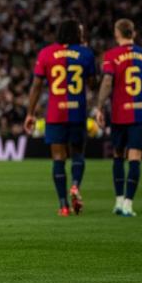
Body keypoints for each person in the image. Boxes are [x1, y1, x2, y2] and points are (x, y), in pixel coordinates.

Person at [24, 19, 96, 216]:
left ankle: (63, 205)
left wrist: (30, 113)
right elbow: (93, 84)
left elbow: (36, 86)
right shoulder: (85, 53)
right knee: (78, 155)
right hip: (77, 112)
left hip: (55, 114)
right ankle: (75, 186)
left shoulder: (46, 53)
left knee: (58, 158)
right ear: (76, 34)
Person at [95, 19, 142, 217]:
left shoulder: (111, 56)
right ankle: (128, 204)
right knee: (135, 158)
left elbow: (107, 82)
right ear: (133, 33)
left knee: (118, 155)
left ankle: (118, 201)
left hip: (118, 114)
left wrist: (100, 107)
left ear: (117, 34)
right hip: (140, 114)